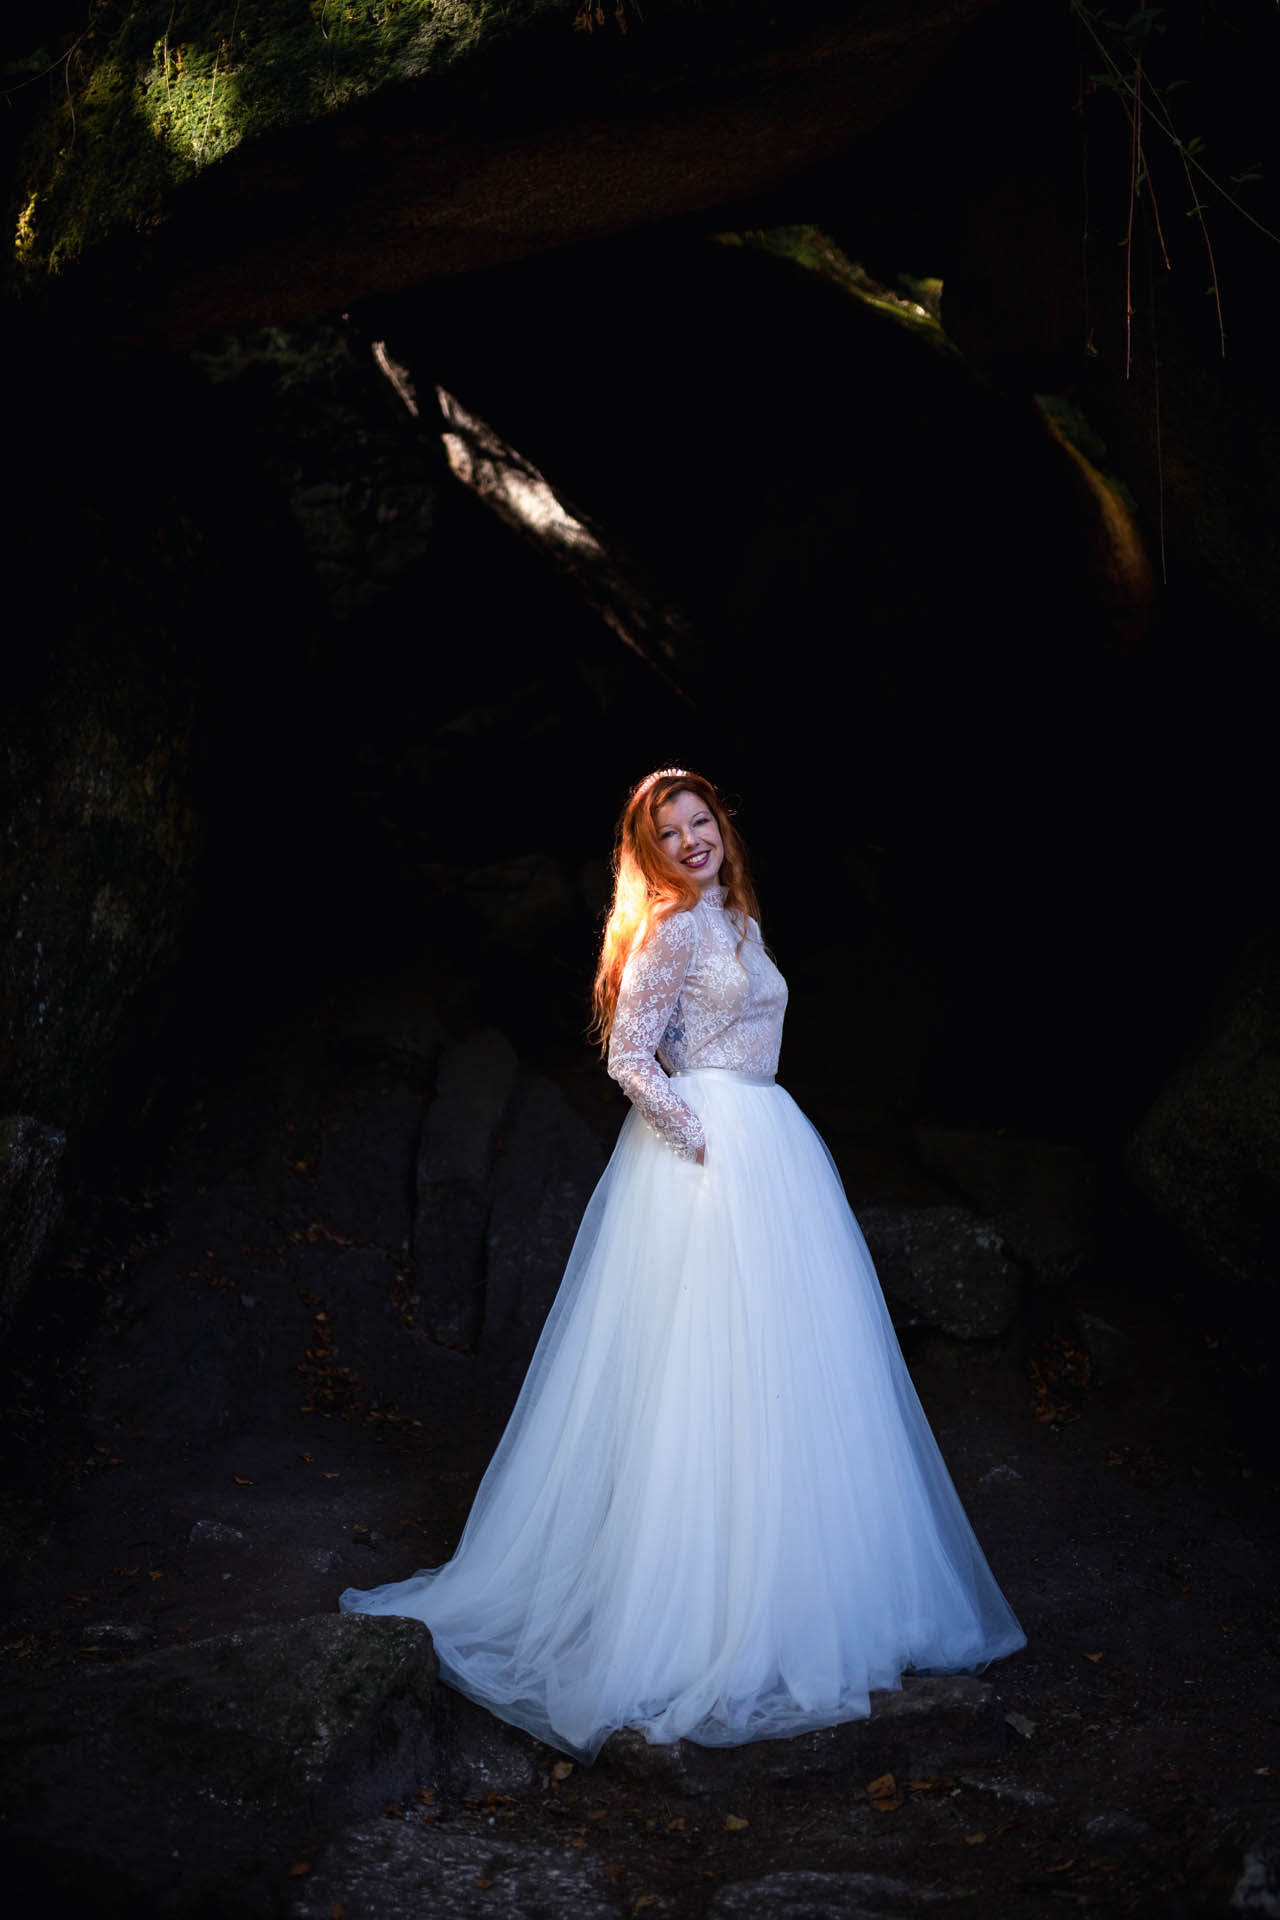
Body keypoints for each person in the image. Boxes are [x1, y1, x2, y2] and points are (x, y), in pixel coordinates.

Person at [339, 768, 1025, 1762]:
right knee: (709, 1369)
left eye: (702, 821)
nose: (693, 839)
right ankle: (699, 1606)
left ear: (722, 829)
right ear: (648, 849)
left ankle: (808, 1588)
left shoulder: (738, 920)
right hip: (710, 1155)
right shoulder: (667, 930)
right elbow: (627, 1055)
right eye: (672, 830)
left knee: (795, 1367)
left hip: (775, 1146)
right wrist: (696, 1136)